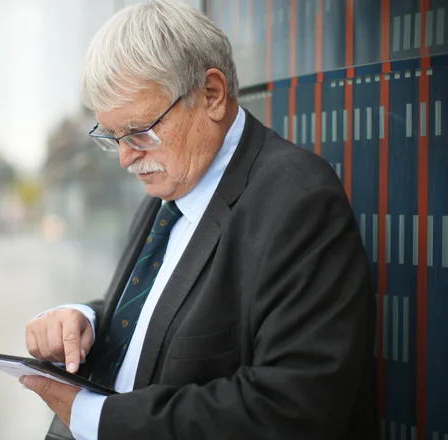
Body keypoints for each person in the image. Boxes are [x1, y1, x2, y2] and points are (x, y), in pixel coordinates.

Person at [21, 1, 378, 438]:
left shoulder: (299, 200)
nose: (126, 157)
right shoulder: (173, 180)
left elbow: (293, 407)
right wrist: (85, 320)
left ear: (211, 94)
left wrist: (98, 420)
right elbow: (167, 312)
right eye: (112, 137)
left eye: (139, 131)